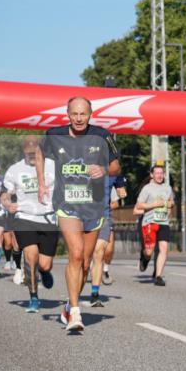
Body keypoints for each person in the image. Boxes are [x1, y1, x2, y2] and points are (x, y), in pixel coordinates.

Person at [35, 96, 121, 334]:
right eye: (75, 114)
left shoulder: (102, 136)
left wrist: (103, 169)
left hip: (94, 206)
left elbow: (116, 166)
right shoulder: (54, 135)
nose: (79, 118)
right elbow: (40, 155)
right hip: (67, 204)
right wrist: (41, 182)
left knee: (84, 262)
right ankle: (75, 311)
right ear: (68, 114)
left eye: (83, 114)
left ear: (90, 114)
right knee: (75, 253)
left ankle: (67, 306)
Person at [2, 136, 57, 313]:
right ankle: (33, 297)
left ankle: (45, 272)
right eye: (29, 152)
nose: (32, 155)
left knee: (45, 264)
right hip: (24, 216)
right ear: (24, 150)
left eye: (35, 151)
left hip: (49, 217)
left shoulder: (53, 166)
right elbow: (5, 192)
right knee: (30, 255)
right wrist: (6, 202)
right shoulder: (15, 169)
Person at [88, 174, 126, 306]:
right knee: (83, 258)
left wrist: (122, 192)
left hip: (104, 217)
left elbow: (119, 195)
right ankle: (74, 296)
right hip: (83, 218)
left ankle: (94, 294)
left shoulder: (112, 175)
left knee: (100, 253)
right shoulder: (79, 167)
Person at [134, 162, 174, 286]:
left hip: (163, 222)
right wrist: (154, 205)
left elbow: (171, 201)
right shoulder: (147, 188)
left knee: (164, 248)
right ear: (152, 175)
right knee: (149, 251)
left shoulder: (168, 187)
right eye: (157, 173)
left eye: (161, 173)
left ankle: (158, 276)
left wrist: (170, 205)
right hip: (149, 222)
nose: (159, 175)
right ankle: (144, 256)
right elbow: (139, 205)